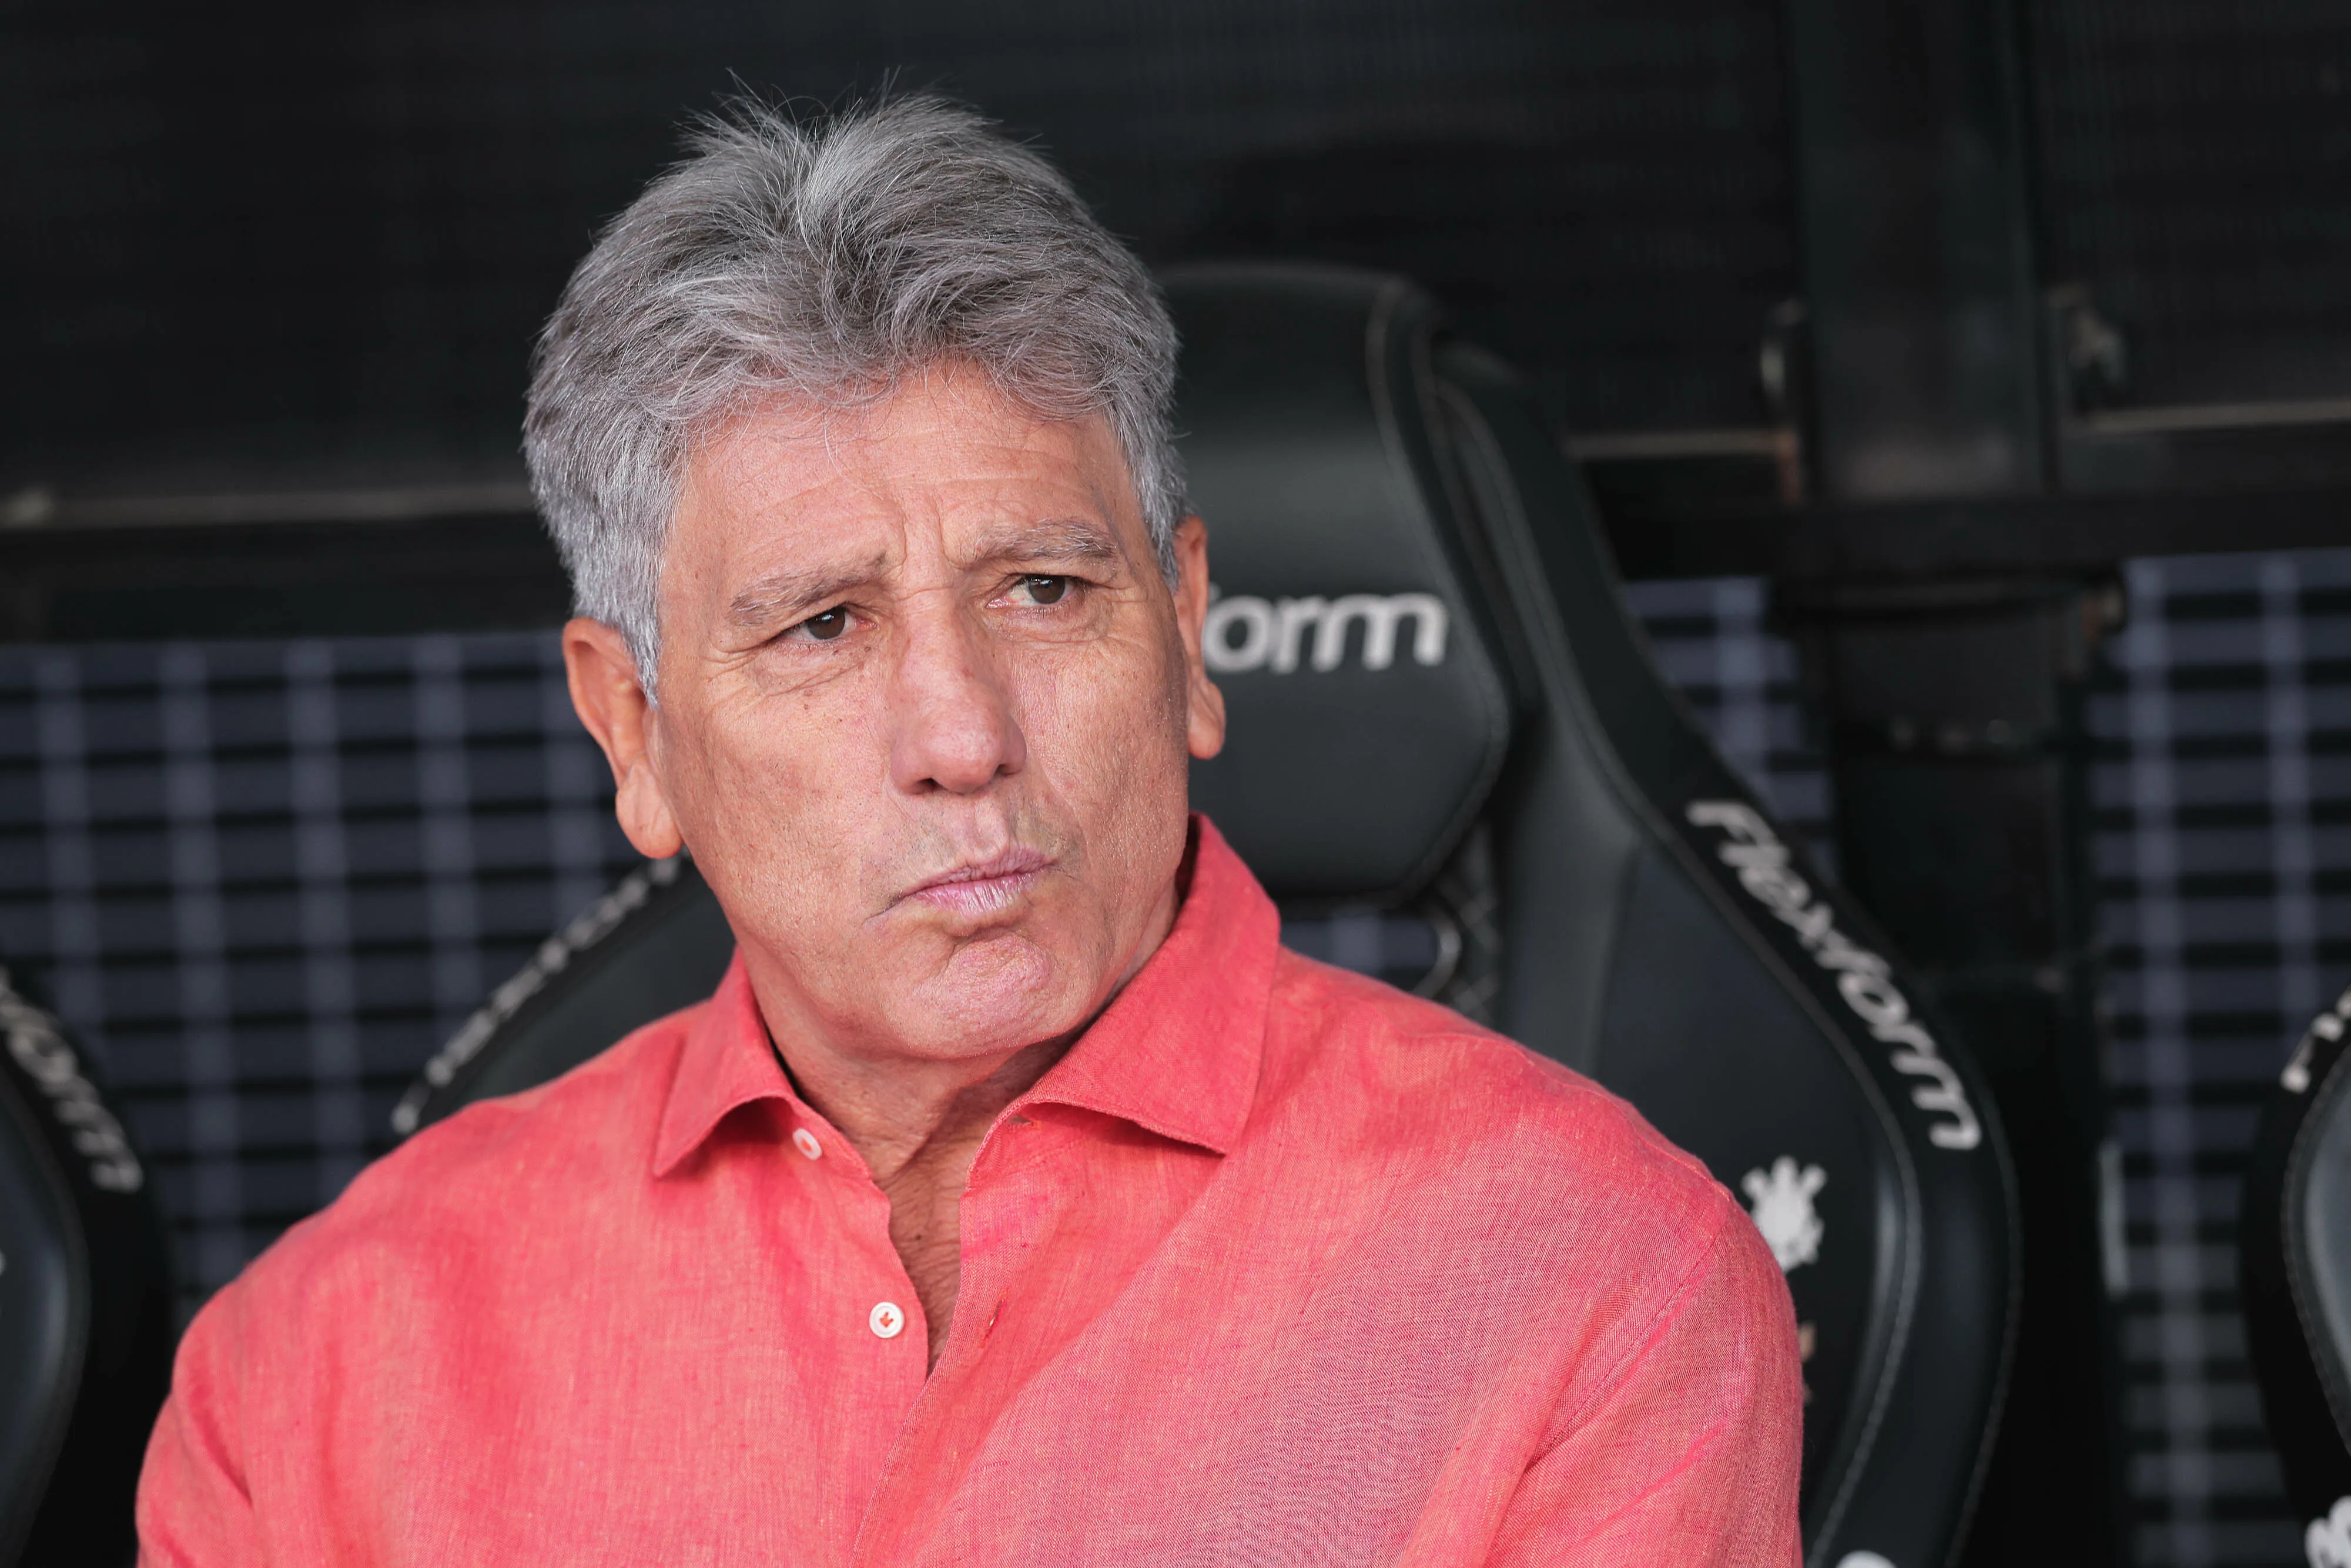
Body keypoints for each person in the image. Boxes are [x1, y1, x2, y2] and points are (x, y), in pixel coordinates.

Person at [135, 97, 1801, 1565]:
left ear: (1189, 625)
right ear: (633, 729)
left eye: (1046, 589)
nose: (962, 736)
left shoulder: (1594, 1286)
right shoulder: (313, 1378)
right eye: (822, 627)